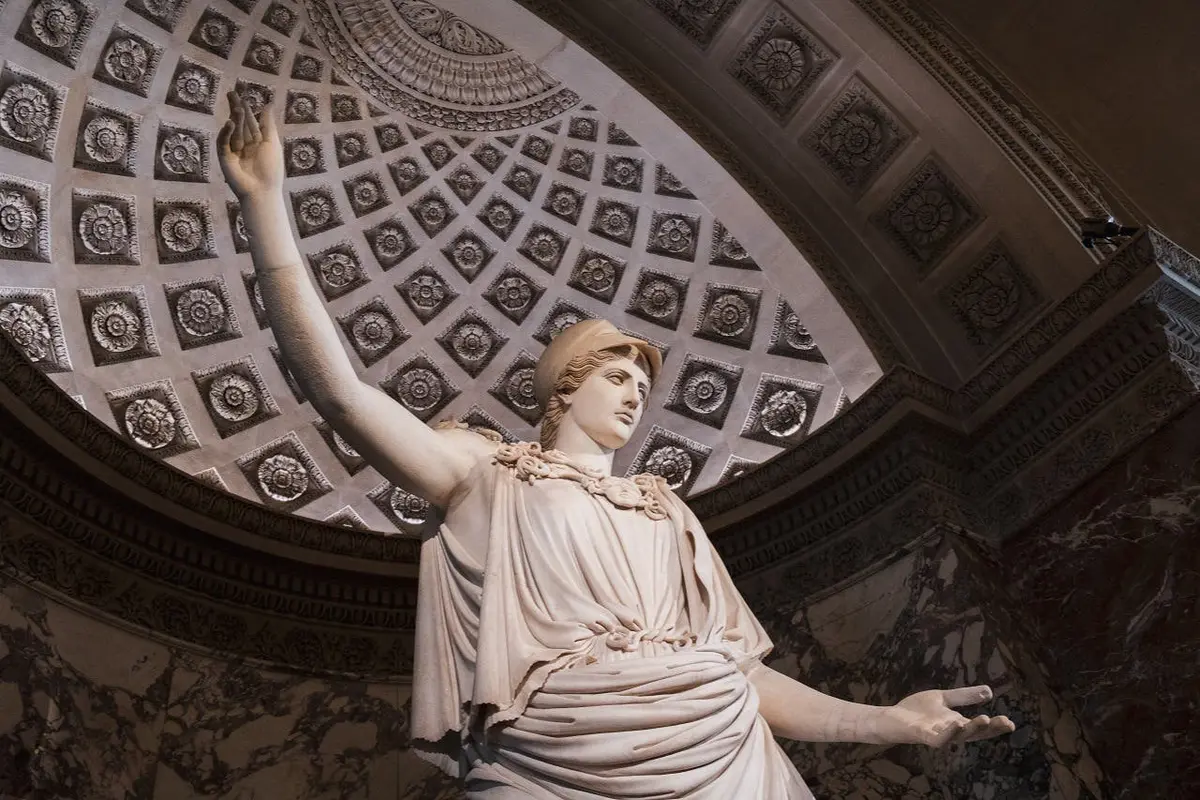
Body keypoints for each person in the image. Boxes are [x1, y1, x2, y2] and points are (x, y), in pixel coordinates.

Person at [217, 93, 1015, 798]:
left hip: (717, 745)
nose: (637, 394)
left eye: (643, 384)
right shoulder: (485, 474)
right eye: (618, 377)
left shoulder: (666, 512)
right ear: (567, 387)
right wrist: (266, 207)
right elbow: (342, 394)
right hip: (547, 750)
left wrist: (891, 723)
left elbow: (742, 676)